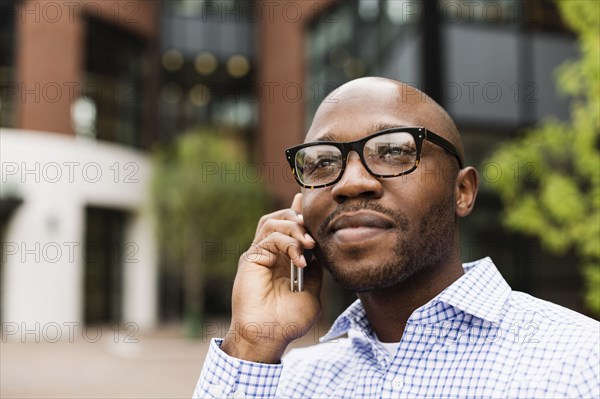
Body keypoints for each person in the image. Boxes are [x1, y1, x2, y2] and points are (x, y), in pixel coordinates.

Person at [193, 77, 599, 398]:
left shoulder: (580, 362)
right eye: (322, 162)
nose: (350, 183)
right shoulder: (283, 382)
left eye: (393, 152)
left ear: (462, 191)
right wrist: (249, 345)